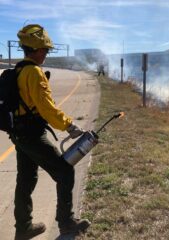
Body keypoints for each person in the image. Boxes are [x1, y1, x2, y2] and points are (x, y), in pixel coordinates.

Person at [11, 24, 90, 239]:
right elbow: (46, 108)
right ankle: (66, 223)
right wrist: (69, 125)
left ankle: (23, 227)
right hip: (32, 136)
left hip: (19, 134)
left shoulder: (18, 69)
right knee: (65, 172)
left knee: (26, 179)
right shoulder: (34, 73)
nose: (45, 54)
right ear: (36, 50)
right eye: (45, 50)